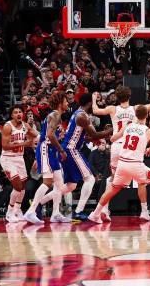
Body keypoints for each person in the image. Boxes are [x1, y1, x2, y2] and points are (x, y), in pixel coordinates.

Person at [92, 86, 150, 218]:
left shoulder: (113, 109)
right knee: (141, 180)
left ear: (117, 97)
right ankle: (145, 211)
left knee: (113, 179)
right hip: (131, 145)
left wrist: (94, 98)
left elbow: (95, 111)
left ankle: (104, 209)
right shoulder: (136, 109)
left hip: (117, 145)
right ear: (129, 96)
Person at [57, 94, 112, 222]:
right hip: (71, 150)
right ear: (89, 103)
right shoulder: (82, 116)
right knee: (90, 179)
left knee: (71, 185)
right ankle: (78, 212)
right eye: (93, 104)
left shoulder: (78, 113)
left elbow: (82, 135)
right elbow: (95, 134)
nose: (95, 106)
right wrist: (113, 130)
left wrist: (95, 138)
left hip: (69, 149)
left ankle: (38, 202)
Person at [24, 92, 70, 224]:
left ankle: (55, 214)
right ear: (60, 102)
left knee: (59, 184)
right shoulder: (55, 114)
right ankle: (31, 211)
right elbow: (49, 135)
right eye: (66, 101)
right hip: (46, 149)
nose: (67, 103)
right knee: (48, 182)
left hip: (50, 150)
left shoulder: (55, 115)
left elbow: (48, 134)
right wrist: (61, 150)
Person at [0, 105, 39, 222]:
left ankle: (17, 210)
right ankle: (9, 212)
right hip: (8, 158)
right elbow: (5, 146)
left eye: (20, 112)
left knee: (22, 187)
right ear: (12, 115)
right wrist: (24, 144)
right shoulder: (8, 126)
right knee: (17, 186)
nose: (18, 114)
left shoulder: (25, 126)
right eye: (16, 112)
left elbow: (37, 136)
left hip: (19, 158)